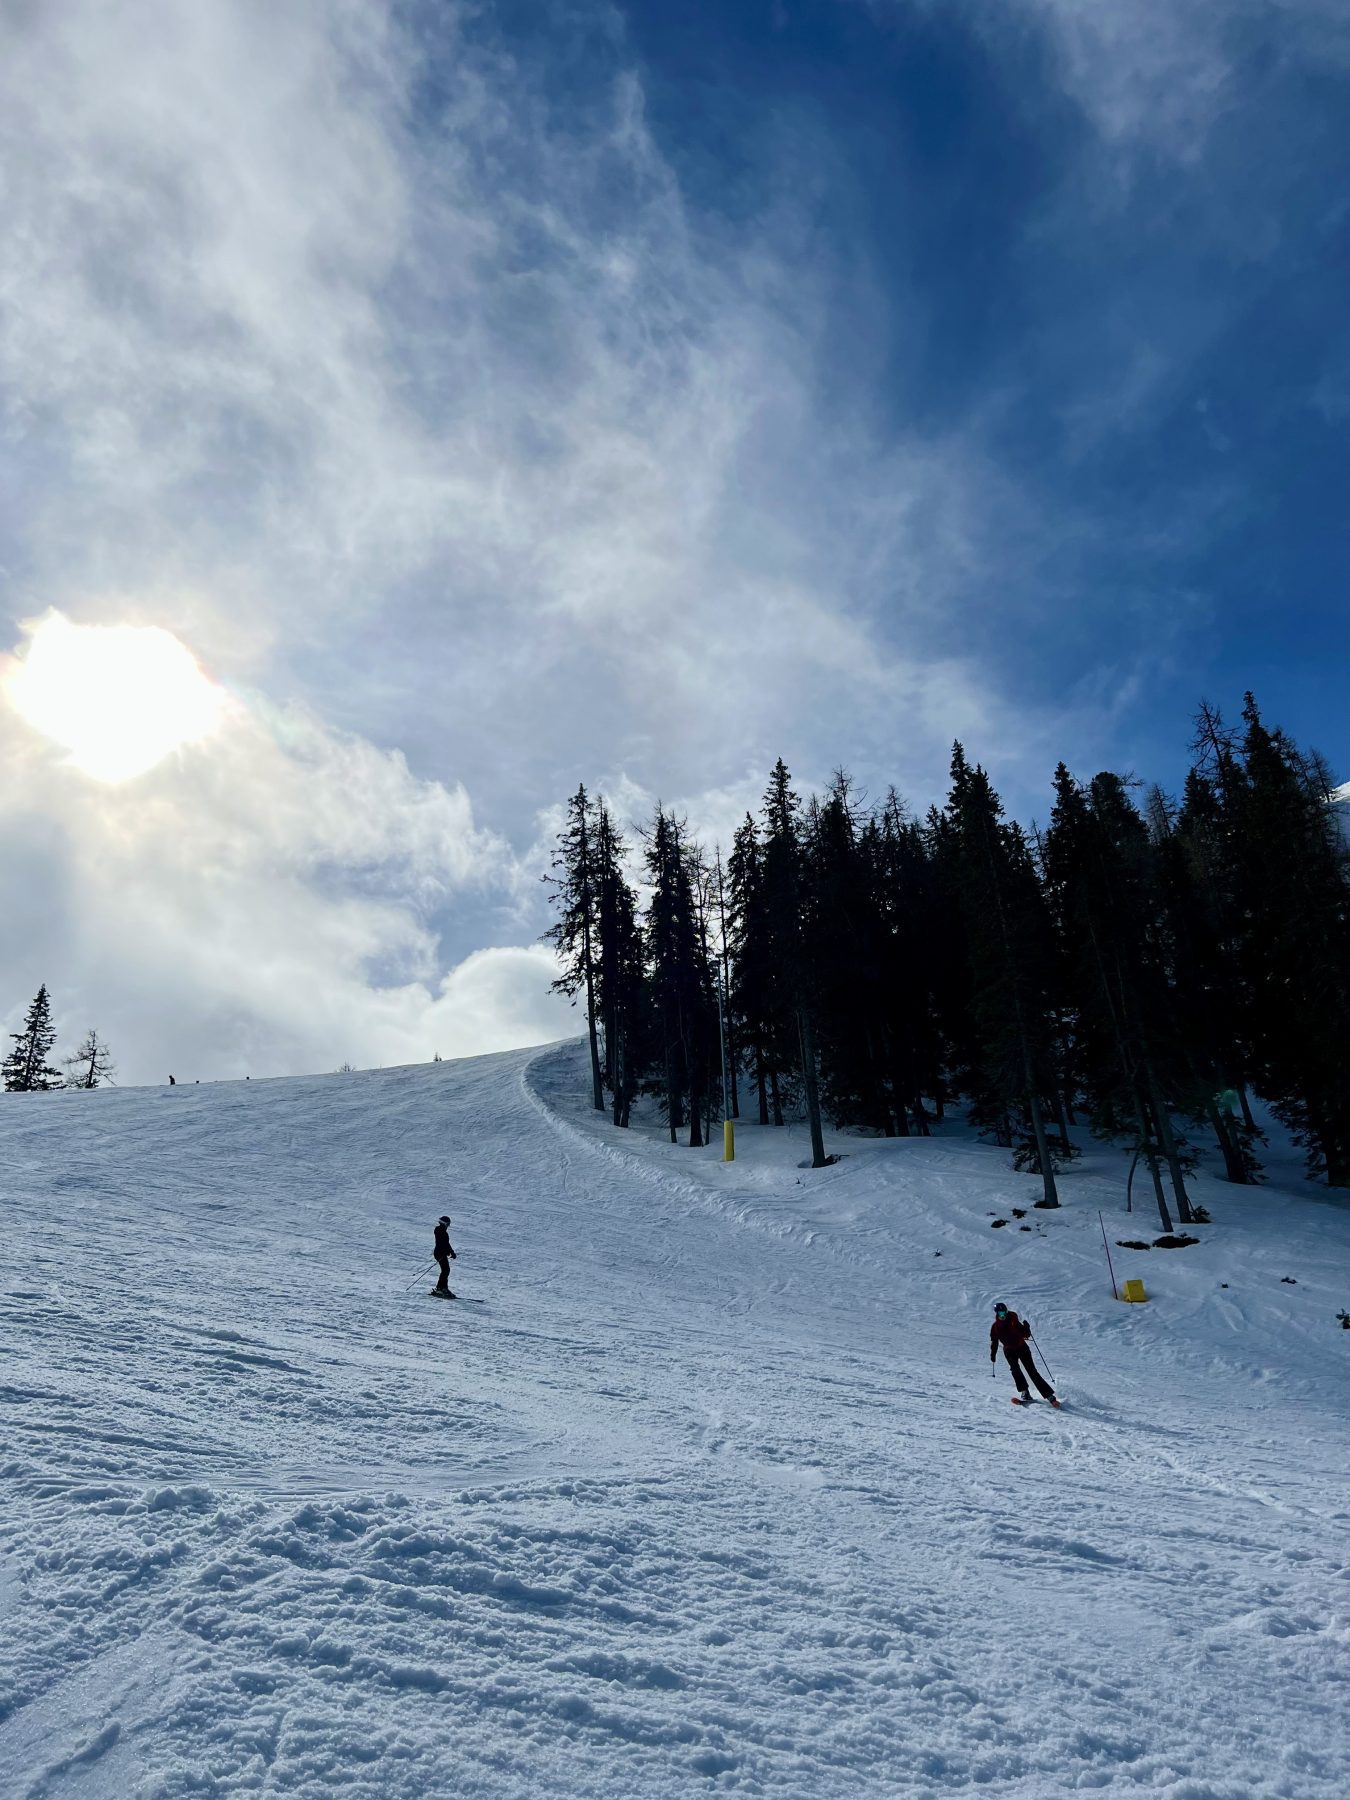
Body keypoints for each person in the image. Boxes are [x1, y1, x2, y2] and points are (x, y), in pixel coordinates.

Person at [990, 1301, 1058, 1405]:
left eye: (1004, 1312)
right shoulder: (995, 1327)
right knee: (1015, 1370)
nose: (1002, 1315)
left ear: (1006, 1311)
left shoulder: (1013, 1319)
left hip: (1022, 1347)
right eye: (1000, 1314)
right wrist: (993, 1355)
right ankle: (1025, 1392)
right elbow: (994, 1342)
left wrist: (1027, 1328)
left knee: (1032, 1371)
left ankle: (1049, 1395)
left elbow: (1023, 1332)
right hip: (1009, 1351)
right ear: (997, 1314)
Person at [433, 1215, 457, 1296]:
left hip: (440, 1252)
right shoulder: (440, 1231)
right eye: (448, 1224)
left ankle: (442, 1288)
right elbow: (443, 1243)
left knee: (445, 1270)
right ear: (445, 1224)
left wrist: (451, 1252)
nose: (448, 1226)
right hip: (440, 1253)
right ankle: (441, 1288)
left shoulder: (441, 1231)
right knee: (445, 1270)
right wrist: (448, 1251)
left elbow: (446, 1244)